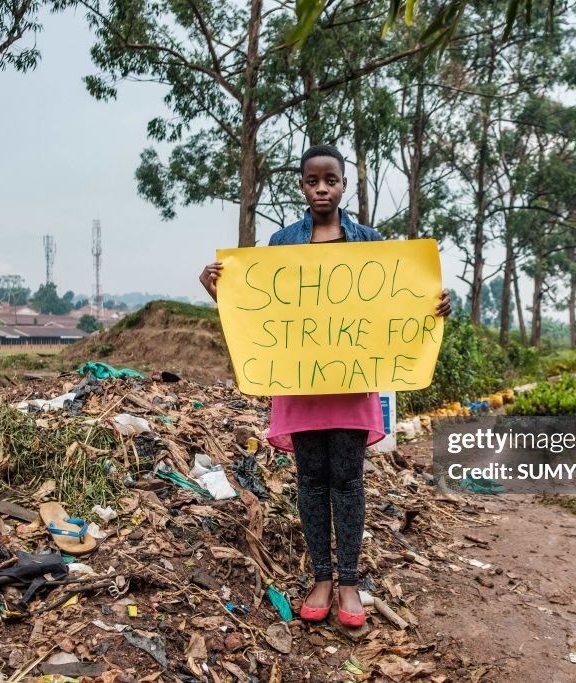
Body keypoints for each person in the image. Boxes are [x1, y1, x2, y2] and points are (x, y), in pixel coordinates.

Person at [199, 144, 451, 627]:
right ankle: (321, 578)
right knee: (311, 482)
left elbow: (399, 301)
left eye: (330, 180)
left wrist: (435, 306)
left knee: (349, 482)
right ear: (302, 185)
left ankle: (350, 583)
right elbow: (261, 310)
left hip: (353, 382)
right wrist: (221, 291)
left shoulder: (371, 241)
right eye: (313, 181)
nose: (321, 188)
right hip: (299, 383)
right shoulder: (281, 242)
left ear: (343, 185)